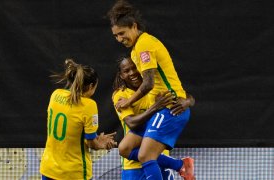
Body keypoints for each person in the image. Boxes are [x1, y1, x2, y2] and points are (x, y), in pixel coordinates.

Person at [107, 1, 195, 179]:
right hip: (159, 110)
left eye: (122, 33)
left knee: (145, 155)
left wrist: (129, 102)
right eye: (115, 35)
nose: (119, 39)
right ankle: (181, 165)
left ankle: (178, 166)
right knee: (124, 148)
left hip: (170, 109)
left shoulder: (144, 44)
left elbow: (148, 84)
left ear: (134, 26)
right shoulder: (135, 51)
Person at [112, 56, 195, 180]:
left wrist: (187, 101)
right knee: (124, 148)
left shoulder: (155, 86)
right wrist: (156, 107)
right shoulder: (121, 95)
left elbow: (184, 95)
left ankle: (179, 165)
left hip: (159, 159)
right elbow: (132, 123)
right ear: (121, 75)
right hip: (133, 166)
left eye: (134, 68)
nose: (132, 72)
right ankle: (178, 164)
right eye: (127, 71)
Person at [40, 59, 117, 180]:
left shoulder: (55, 95)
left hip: (48, 169)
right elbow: (92, 143)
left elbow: (72, 133)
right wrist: (100, 143)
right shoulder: (89, 105)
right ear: (91, 86)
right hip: (74, 173)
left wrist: (94, 139)